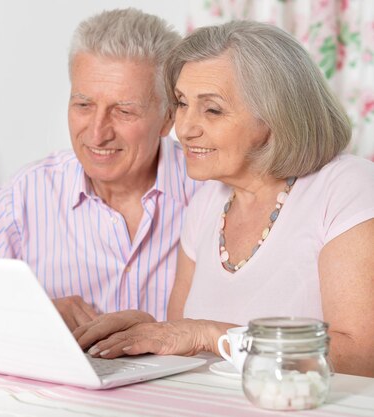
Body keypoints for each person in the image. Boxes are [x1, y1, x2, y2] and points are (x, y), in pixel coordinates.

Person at [73, 20, 374, 377]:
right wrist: (147, 332)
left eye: (212, 109)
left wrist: (211, 335)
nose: (185, 128)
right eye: (182, 103)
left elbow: (362, 354)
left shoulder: (346, 186)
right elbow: (188, 345)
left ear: (274, 117)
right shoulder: (206, 204)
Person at [0, 8, 201, 330]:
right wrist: (32, 311)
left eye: (124, 111)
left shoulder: (211, 192)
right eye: (83, 105)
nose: (97, 133)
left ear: (168, 118)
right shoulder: (30, 192)